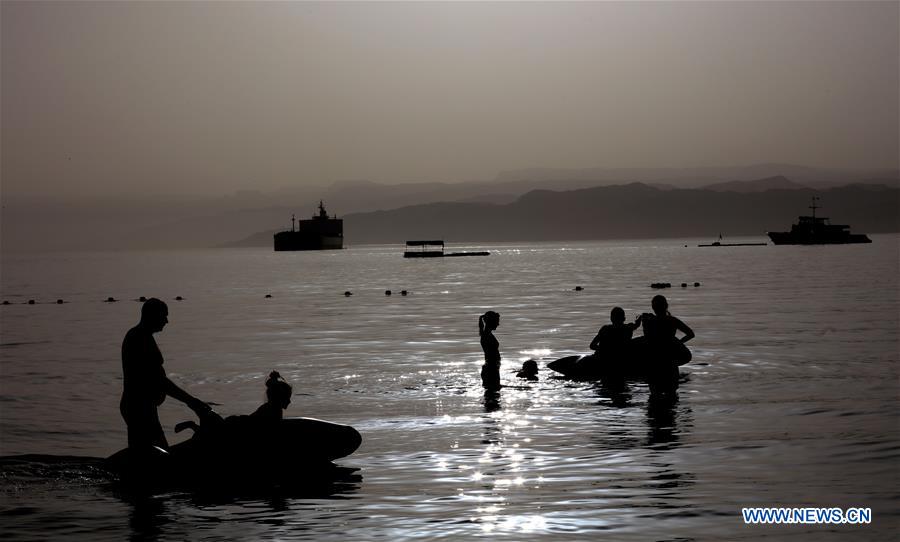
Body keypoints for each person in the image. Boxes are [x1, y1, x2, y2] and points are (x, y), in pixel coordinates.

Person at [120, 298, 210, 450]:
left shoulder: (143, 337)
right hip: (139, 408)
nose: (167, 321)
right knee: (155, 454)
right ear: (153, 316)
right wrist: (191, 401)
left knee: (149, 452)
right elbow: (159, 381)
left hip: (143, 406)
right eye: (164, 316)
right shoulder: (139, 338)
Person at [639, 295, 694, 394]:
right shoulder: (672, 320)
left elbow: (648, 340)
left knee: (654, 399)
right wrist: (678, 343)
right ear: (666, 306)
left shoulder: (650, 321)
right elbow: (690, 334)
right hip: (670, 361)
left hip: (655, 363)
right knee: (672, 398)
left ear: (653, 308)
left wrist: (644, 323)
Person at [479, 311, 501, 391]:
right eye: (497, 321)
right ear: (491, 322)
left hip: (493, 368)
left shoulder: (487, 335)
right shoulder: (486, 336)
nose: (498, 324)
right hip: (491, 369)